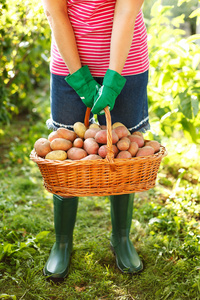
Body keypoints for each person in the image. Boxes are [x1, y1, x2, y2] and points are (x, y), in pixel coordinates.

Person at [41, 0, 150, 281]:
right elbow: (56, 11)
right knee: (65, 155)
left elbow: (127, 10)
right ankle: (62, 242)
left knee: (122, 154)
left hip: (125, 63)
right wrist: (79, 77)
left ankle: (122, 238)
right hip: (69, 62)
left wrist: (113, 80)